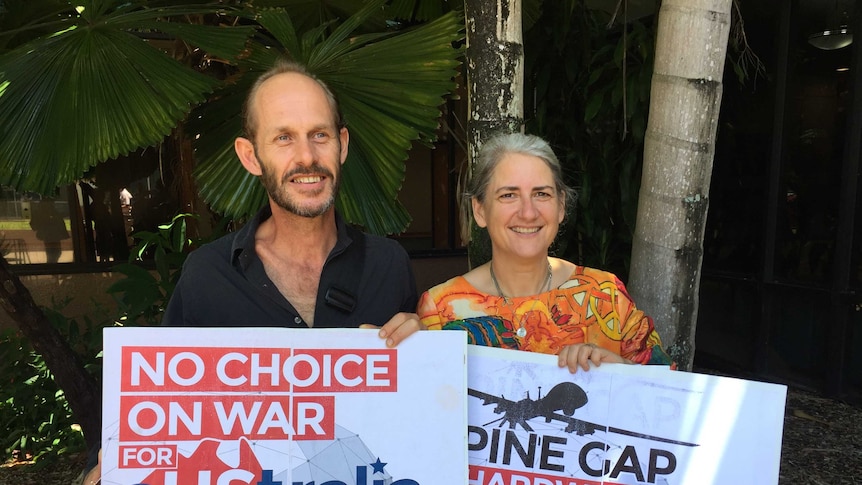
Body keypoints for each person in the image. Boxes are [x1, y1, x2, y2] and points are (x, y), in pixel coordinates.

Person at [82, 59, 424, 485]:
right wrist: (114, 469)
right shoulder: (207, 275)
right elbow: (170, 418)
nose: (307, 157)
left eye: (319, 135)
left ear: (343, 145)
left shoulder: (389, 265)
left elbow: (417, 420)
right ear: (251, 156)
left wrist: (422, 352)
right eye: (284, 138)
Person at [417, 132, 673, 373]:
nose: (528, 212)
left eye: (541, 194)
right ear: (480, 210)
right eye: (508, 195)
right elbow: (426, 408)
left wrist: (619, 370)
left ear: (561, 206)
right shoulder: (441, 309)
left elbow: (672, 395)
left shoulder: (605, 296)